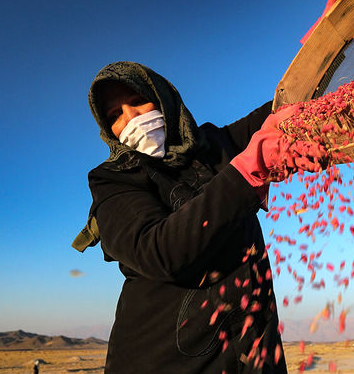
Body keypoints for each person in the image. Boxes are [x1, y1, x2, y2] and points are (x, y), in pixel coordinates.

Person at [73, 61, 293, 373]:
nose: (131, 119)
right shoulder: (113, 181)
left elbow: (287, 110)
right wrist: (247, 173)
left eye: (137, 101)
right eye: (115, 116)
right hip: (164, 360)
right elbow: (160, 252)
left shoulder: (213, 147)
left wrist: (330, 44)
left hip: (252, 349)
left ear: (163, 98)